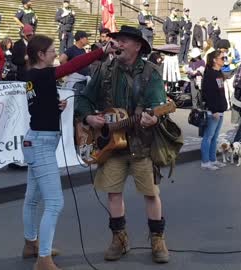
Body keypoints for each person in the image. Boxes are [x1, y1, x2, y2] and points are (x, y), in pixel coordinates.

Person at [76, 25, 170, 264]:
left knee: (150, 193)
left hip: (141, 142)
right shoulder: (104, 69)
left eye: (124, 41)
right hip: (110, 145)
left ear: (137, 46)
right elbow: (84, 98)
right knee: (113, 193)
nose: (118, 44)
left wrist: (154, 117)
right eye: (116, 40)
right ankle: (119, 238)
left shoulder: (151, 72)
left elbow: (159, 106)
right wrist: (89, 118)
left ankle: (157, 239)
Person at [21, 33, 115, 270]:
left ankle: (31, 244)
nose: (56, 54)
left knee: (32, 200)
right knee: (54, 203)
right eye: (52, 50)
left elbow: (38, 105)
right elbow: (72, 65)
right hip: (41, 143)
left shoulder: (32, 76)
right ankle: (43, 260)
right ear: (41, 55)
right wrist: (100, 51)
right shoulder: (42, 74)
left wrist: (56, 106)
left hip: (37, 141)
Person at [200, 50, 228, 170]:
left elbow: (220, 92)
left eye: (224, 58)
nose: (224, 60)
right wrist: (214, 110)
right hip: (213, 110)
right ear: (214, 60)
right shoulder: (209, 74)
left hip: (220, 108)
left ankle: (213, 159)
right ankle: (205, 161)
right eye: (222, 58)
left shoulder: (219, 73)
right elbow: (207, 94)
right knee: (208, 136)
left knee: (215, 137)